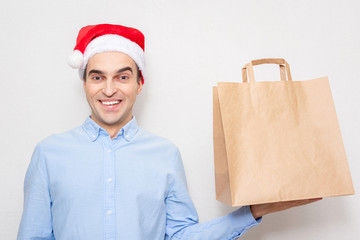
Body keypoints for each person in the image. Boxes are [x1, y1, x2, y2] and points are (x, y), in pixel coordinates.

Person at [17, 24, 320, 240]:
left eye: (122, 76)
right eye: (98, 77)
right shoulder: (49, 153)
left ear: (139, 83)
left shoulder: (164, 154)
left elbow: (181, 236)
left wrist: (251, 212)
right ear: (84, 83)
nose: (109, 89)